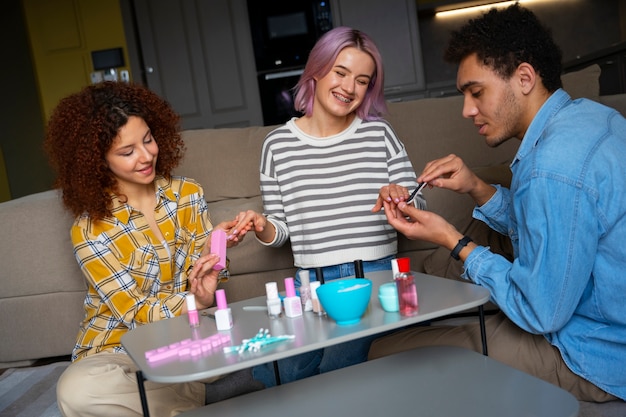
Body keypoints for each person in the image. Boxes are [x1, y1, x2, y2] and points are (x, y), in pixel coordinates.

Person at [369, 4, 626, 402]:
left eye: (476, 92)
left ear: (524, 77)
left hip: (592, 353)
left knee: (387, 353)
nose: (467, 110)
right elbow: (559, 228)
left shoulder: (551, 167)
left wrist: (455, 241)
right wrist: (477, 186)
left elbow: (541, 312)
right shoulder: (593, 118)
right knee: (418, 331)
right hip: (596, 324)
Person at [45, 81, 264, 417]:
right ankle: (201, 393)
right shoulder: (88, 229)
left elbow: (204, 281)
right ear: (97, 160)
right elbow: (134, 314)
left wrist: (211, 251)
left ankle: (179, 391)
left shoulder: (187, 193)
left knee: (244, 342)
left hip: (185, 336)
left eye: (148, 139)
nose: (147, 155)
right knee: (77, 391)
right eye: (127, 151)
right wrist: (194, 300)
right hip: (118, 349)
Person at [231, 26, 426, 387]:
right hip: (311, 285)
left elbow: (419, 205)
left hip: (373, 276)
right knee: (290, 371)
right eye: (341, 72)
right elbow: (281, 232)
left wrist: (399, 195)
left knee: (339, 366)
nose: (349, 87)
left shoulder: (379, 134)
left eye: (363, 80)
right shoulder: (277, 145)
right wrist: (262, 225)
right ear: (316, 71)